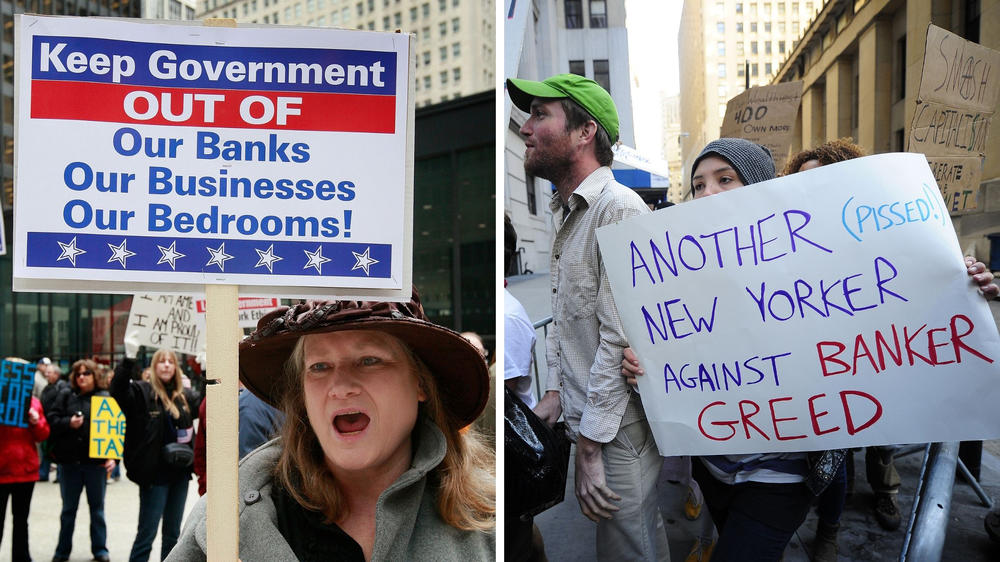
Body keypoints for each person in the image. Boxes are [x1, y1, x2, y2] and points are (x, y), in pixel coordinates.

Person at [622, 138, 1000, 560]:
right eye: (698, 184)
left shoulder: (844, 270)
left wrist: (959, 285)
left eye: (724, 180)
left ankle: (832, 528)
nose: (707, 193)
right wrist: (641, 363)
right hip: (715, 466)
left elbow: (912, 308)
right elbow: (666, 347)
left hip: (783, 472)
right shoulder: (678, 269)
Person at [167, 291, 495, 561]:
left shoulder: (492, 519)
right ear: (302, 395)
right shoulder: (222, 518)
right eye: (319, 366)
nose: (340, 387)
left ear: (421, 384)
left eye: (369, 360)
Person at [507, 73, 667, 560]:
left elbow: (621, 337)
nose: (525, 128)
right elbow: (568, 320)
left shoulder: (618, 211)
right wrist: (555, 392)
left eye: (540, 114)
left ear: (584, 132)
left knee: (629, 550)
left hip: (616, 431)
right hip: (590, 423)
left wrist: (593, 449)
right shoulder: (570, 212)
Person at [111, 348, 200, 562]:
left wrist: (206, 372)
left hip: (179, 476)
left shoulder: (184, 396)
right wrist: (128, 360)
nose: (167, 365)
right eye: (162, 361)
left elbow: (208, 404)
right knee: (146, 535)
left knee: (172, 535)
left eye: (171, 361)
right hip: (154, 477)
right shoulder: (142, 392)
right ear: (154, 366)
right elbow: (118, 391)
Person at [48, 359, 115, 562]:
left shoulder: (104, 397)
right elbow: (51, 419)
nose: (82, 377)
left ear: (94, 376)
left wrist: (113, 456)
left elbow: (115, 429)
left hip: (95, 464)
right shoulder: (66, 395)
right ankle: (62, 552)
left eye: (86, 373)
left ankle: (100, 550)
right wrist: (69, 423)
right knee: (68, 511)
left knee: (98, 511)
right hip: (70, 464)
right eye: (78, 374)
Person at [0, 391, 50, 562]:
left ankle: (21, 556)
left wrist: (36, 422)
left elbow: (43, 435)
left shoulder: (34, 403)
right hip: (3, 470)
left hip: (25, 472)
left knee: (21, 519)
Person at [39, 362, 68, 483]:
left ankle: (60, 475)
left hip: (57, 425)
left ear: (56, 374)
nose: (46, 374)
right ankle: (43, 474)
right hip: (46, 422)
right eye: (46, 373)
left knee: (58, 449)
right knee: (45, 449)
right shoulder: (47, 387)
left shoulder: (62, 387)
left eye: (49, 372)